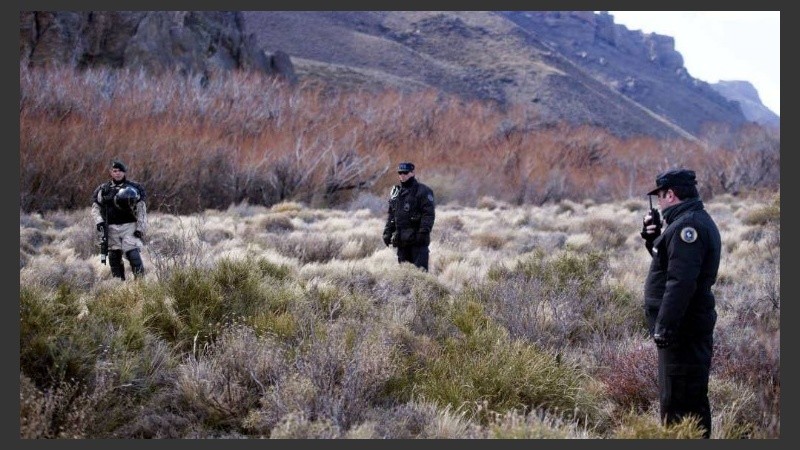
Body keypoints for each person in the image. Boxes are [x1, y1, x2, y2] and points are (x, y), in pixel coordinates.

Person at [640, 168, 721, 439]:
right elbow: (669, 266)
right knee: (684, 400)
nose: (659, 204)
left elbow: (681, 282)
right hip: (681, 332)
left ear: (670, 194)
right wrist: (653, 240)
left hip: (682, 333)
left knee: (680, 406)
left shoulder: (689, 227)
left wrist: (665, 327)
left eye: (661, 197)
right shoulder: (685, 223)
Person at [91, 160, 148, 280]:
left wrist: (140, 228)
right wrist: (99, 221)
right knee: (114, 257)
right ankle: (119, 285)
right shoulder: (104, 189)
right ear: (111, 172)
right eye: (115, 171)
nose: (117, 173)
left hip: (129, 226)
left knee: (133, 254)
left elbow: (141, 209)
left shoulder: (134, 188)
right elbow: (95, 208)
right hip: (111, 228)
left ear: (124, 172)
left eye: (120, 171)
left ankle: (141, 284)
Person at [382, 162, 436, 272]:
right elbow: (392, 215)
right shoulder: (396, 193)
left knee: (420, 276)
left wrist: (423, 232)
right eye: (400, 173)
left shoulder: (423, 191)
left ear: (412, 173)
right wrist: (387, 232)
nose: (402, 175)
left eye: (405, 172)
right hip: (402, 243)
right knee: (404, 277)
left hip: (418, 243)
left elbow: (428, 215)